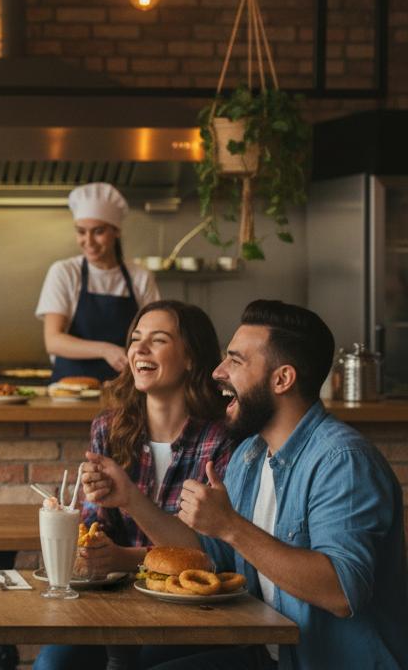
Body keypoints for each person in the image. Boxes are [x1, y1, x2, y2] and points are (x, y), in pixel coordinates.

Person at [83, 300, 408, 670]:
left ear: (282, 379)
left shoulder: (342, 461)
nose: (219, 371)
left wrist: (231, 526)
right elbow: (207, 555)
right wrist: (129, 498)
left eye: (236, 362)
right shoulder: (251, 455)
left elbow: (341, 593)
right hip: (266, 654)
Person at [35, 300, 233, 670]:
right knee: (51, 665)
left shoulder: (220, 439)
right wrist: (90, 547)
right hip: (110, 601)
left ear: (191, 358)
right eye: (136, 339)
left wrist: (127, 533)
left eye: (157, 340)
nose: (139, 349)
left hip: (190, 612)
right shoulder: (108, 428)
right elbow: (94, 526)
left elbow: (210, 555)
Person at [36, 182, 160, 382]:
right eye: (81, 231)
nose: (89, 241)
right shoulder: (65, 272)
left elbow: (155, 335)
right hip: (71, 390)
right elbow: (53, 341)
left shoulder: (140, 276)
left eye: (98, 231)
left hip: (127, 389)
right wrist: (105, 350)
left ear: (116, 231)